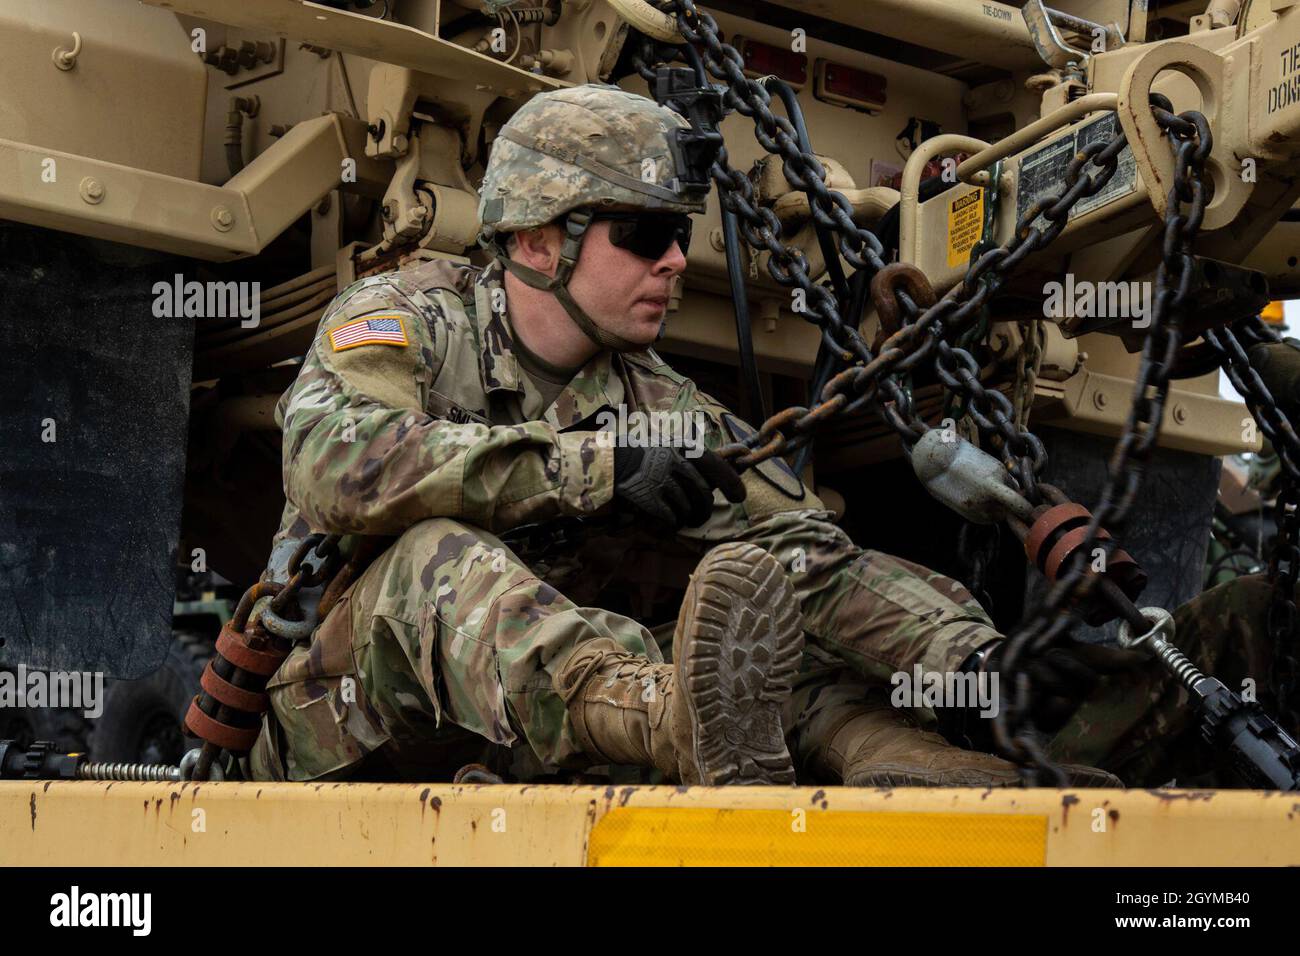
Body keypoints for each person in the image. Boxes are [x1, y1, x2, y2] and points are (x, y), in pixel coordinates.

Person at [247, 83, 1118, 788]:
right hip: (346, 722)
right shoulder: (410, 317)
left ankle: (889, 751)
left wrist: (963, 659)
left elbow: (805, 556)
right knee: (437, 554)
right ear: (542, 240)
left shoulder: (655, 398)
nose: (675, 260)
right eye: (646, 234)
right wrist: (594, 468)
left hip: (533, 731)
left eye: (679, 235)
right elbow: (331, 463)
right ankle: (668, 719)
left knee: (761, 614)